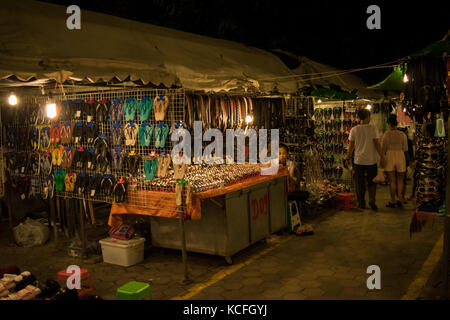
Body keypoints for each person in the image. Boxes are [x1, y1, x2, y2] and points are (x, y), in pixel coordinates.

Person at [345, 109, 384, 210]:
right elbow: (377, 144)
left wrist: (347, 157)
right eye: (369, 116)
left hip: (358, 160)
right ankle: (372, 200)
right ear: (367, 117)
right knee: (372, 182)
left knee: (359, 183)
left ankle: (361, 202)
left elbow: (351, 146)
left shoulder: (354, 130)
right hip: (371, 160)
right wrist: (382, 156)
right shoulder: (373, 129)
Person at [382, 115, 408, 208]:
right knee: (400, 179)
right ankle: (399, 198)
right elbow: (405, 148)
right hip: (400, 155)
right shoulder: (402, 134)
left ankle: (393, 200)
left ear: (389, 124)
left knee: (392, 180)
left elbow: (383, 148)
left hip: (390, 155)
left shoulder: (386, 134)